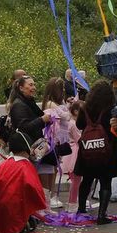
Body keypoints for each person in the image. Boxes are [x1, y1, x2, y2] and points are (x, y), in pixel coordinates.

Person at [74, 81, 117, 224]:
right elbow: (115, 129)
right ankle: (102, 214)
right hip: (107, 151)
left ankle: (81, 209)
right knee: (105, 182)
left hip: (88, 150)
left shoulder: (85, 108)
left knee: (86, 180)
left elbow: (79, 125)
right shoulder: (112, 110)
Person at [38, 76, 74, 210]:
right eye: (62, 89)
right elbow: (64, 116)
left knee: (55, 168)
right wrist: (67, 107)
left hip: (60, 138)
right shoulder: (50, 103)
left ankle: (53, 194)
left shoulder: (58, 103)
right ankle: (50, 195)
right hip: (51, 138)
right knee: (51, 168)